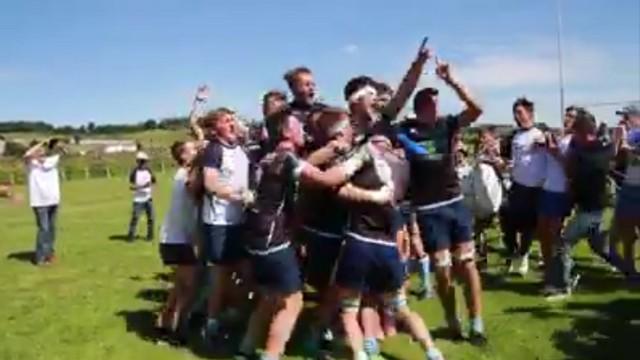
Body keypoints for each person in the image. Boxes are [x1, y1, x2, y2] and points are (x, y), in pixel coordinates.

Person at [395, 56, 486, 345]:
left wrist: (452, 80)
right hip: (428, 209)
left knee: (468, 263)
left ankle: (477, 322)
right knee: (443, 269)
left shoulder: (447, 125)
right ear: (421, 108)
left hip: (454, 203)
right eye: (432, 104)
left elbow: (476, 109)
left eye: (438, 103)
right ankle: (451, 318)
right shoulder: (404, 130)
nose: (438, 108)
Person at [544, 108, 629, 300]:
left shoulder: (588, 155)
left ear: (584, 132)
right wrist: (617, 139)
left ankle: (561, 287)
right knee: (601, 248)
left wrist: (556, 153)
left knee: (563, 243)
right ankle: (631, 273)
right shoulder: (598, 149)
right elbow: (612, 152)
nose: (573, 136)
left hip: (591, 210)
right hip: (597, 209)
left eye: (576, 131)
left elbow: (571, 173)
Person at [199, 107, 253, 343]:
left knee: (247, 272)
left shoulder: (240, 149)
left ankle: (233, 314)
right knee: (221, 275)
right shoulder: (214, 150)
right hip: (219, 222)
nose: (232, 124)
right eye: (226, 121)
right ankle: (211, 324)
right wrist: (238, 196)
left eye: (233, 119)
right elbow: (211, 184)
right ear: (215, 128)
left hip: (240, 221)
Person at [156, 141, 199, 343]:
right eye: (193, 150)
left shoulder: (180, 174)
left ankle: (163, 323)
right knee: (188, 288)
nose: (198, 151)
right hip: (181, 238)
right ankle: (178, 330)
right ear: (183, 155)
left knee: (179, 285)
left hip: (171, 237)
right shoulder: (187, 177)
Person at [503, 97, 546, 275]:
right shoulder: (515, 136)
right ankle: (514, 253)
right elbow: (512, 160)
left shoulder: (539, 134)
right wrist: (508, 165)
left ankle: (523, 256)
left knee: (528, 225)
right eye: (515, 113)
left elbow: (548, 152)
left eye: (520, 112)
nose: (517, 116)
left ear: (530, 113)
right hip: (517, 184)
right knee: (506, 218)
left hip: (534, 187)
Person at [537, 107, 576, 274]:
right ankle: (548, 267)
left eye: (572, 116)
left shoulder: (575, 141)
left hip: (560, 191)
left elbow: (571, 166)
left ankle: (561, 269)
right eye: (566, 115)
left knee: (555, 233)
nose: (567, 118)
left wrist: (554, 152)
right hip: (547, 188)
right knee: (542, 231)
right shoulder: (561, 137)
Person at [610, 105, 640, 277]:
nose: (624, 121)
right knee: (627, 231)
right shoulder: (627, 134)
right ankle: (630, 269)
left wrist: (630, 147)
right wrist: (618, 141)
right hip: (630, 184)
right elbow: (615, 159)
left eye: (627, 117)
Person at [23, 138, 64, 265]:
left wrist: (48, 146)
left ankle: (49, 254)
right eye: (38, 149)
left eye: (42, 149)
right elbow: (26, 155)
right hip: (39, 201)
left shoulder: (52, 160)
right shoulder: (30, 163)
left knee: (51, 229)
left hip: (53, 199)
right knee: (43, 228)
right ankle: (40, 258)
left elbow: (59, 152)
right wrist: (40, 143)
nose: (41, 151)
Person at [127, 151, 156, 242]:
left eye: (145, 161)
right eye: (142, 161)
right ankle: (131, 236)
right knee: (135, 217)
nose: (144, 163)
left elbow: (153, 181)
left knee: (151, 218)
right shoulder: (134, 172)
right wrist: (136, 187)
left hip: (148, 198)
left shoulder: (149, 170)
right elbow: (131, 184)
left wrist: (148, 186)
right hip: (138, 199)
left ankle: (150, 236)